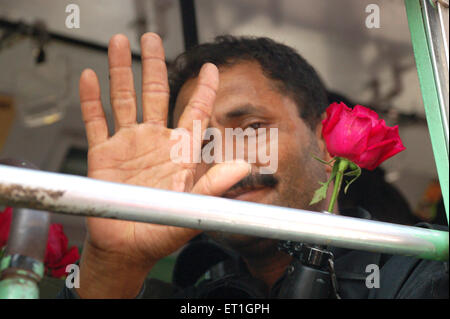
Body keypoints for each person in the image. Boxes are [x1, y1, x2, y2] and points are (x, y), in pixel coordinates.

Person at [58, 33, 448, 299]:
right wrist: (112, 266)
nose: (223, 157)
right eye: (200, 141)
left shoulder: (420, 269)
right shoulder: (196, 289)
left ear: (326, 142)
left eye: (252, 128)